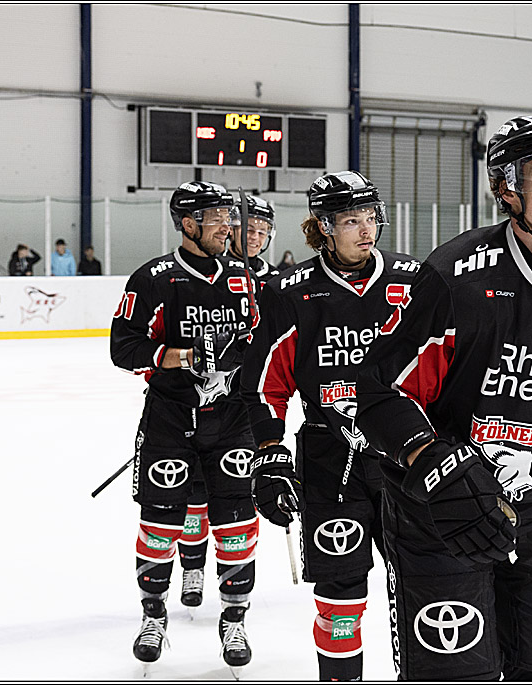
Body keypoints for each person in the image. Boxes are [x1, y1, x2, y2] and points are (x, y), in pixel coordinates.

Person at [353, 115, 532, 680]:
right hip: (442, 516)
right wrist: (433, 465)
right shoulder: (454, 278)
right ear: (508, 187)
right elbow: (377, 390)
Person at [242, 171, 420, 681]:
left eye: (370, 218)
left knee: (424, 580)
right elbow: (265, 383)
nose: (365, 230)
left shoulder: (411, 281)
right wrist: (270, 455)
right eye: (350, 220)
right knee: (340, 591)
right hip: (328, 457)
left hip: (405, 456)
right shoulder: (292, 293)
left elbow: (445, 368)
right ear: (324, 226)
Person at [109, 181, 260, 676]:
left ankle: (234, 619)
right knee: (160, 525)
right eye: (216, 218)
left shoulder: (244, 276)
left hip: (231, 420)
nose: (228, 226)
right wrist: (177, 356)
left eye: (228, 216)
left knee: (237, 523)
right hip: (171, 422)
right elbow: (122, 348)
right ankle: (153, 616)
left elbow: (260, 341)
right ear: (188, 224)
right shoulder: (152, 279)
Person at [175, 194, 280, 614]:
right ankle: (191, 565)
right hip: (192, 406)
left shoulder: (272, 282)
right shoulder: (202, 275)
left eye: (262, 232)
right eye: (247, 229)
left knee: (234, 494)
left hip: (241, 410)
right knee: (192, 491)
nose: (254, 238)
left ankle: (232, 580)